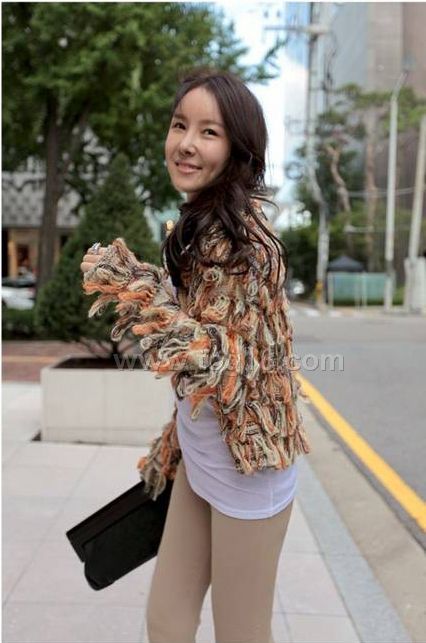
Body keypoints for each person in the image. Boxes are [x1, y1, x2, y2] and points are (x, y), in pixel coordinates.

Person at [80, 67, 311, 643]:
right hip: (201, 456)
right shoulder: (199, 225)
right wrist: (179, 436)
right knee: (167, 620)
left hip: (248, 467)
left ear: (237, 149)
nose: (186, 143)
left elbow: (229, 363)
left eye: (209, 132)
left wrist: (136, 289)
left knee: (241, 633)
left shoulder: (244, 241)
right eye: (180, 124)